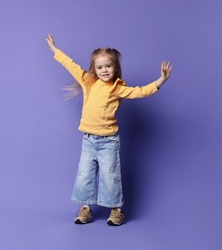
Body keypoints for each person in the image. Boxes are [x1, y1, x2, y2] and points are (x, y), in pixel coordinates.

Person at [46, 34, 172, 226]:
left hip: (108, 141)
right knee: (85, 174)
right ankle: (86, 209)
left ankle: (116, 210)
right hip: (88, 140)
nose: (104, 70)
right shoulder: (88, 81)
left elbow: (139, 91)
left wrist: (160, 80)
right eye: (100, 67)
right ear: (94, 69)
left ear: (115, 68)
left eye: (108, 66)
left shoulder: (116, 88)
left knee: (110, 176)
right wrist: (56, 50)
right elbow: (70, 65)